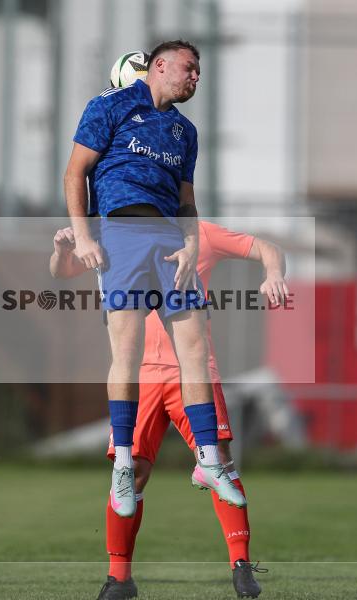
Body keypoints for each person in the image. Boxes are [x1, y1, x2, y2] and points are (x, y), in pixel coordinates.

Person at [51, 221, 286, 599]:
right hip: (138, 379)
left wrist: (273, 275)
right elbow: (64, 271)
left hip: (192, 374)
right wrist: (64, 248)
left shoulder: (199, 233)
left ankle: (242, 566)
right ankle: (119, 579)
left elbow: (268, 248)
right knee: (132, 471)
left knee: (220, 460)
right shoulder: (115, 233)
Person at [64, 39, 246, 519]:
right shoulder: (111, 105)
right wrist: (84, 236)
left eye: (199, 71)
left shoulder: (186, 131)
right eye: (189, 68)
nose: (195, 77)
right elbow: (75, 172)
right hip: (122, 232)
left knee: (195, 350)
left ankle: (208, 459)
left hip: (170, 240)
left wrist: (191, 244)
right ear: (159, 66)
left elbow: (187, 201)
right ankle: (123, 462)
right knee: (128, 351)